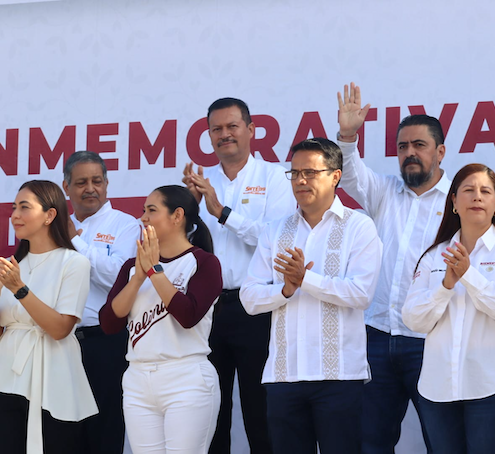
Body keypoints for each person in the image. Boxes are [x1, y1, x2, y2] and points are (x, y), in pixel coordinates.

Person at [240, 138, 382, 454]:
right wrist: (286, 289)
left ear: (335, 176)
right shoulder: (275, 231)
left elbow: (361, 294)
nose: (300, 181)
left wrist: (306, 279)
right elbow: (249, 298)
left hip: (339, 376)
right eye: (294, 173)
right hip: (284, 376)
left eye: (310, 173)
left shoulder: (359, 227)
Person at [335, 82, 450, 452]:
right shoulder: (383, 192)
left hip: (432, 339)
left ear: (440, 152)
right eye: (403, 147)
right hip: (377, 338)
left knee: (443, 442)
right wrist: (348, 136)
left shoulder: (459, 200)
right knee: (370, 442)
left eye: (419, 145)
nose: (409, 153)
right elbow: (349, 174)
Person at [183, 97, 295, 454]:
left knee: (260, 412)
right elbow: (186, 249)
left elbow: (276, 240)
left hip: (256, 308)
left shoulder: (275, 177)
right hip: (208, 310)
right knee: (209, 412)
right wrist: (188, 212)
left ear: (251, 130)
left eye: (232, 126)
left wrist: (222, 212)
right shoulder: (202, 182)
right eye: (216, 129)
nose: (224, 134)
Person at [402, 163, 495, 454]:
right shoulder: (434, 255)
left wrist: (468, 276)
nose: (477, 196)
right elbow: (413, 318)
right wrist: (445, 287)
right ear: (453, 201)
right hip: (438, 388)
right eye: (469, 190)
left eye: (485, 191)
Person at [100, 185, 222, 453]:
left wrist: (155, 271)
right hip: (138, 379)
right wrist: (138, 277)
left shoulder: (204, 262)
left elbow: (188, 315)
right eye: (144, 210)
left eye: (151, 210)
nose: (143, 217)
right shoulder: (131, 267)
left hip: (186, 377)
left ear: (177, 216)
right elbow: (109, 322)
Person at [0, 180, 97, 454]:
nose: (15, 215)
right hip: (6, 376)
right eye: (14, 208)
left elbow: (60, 328)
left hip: (53, 378)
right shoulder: (12, 266)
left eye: (24, 207)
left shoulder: (74, 263)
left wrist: (19, 289)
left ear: (49, 215)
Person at [62, 150, 140, 454]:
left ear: (107, 184)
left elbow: (118, 281)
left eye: (97, 181)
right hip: (61, 342)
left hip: (106, 342)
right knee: (64, 433)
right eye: (81, 182)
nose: (90, 188)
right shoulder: (54, 227)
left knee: (105, 432)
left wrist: (75, 241)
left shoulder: (126, 225)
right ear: (66, 187)